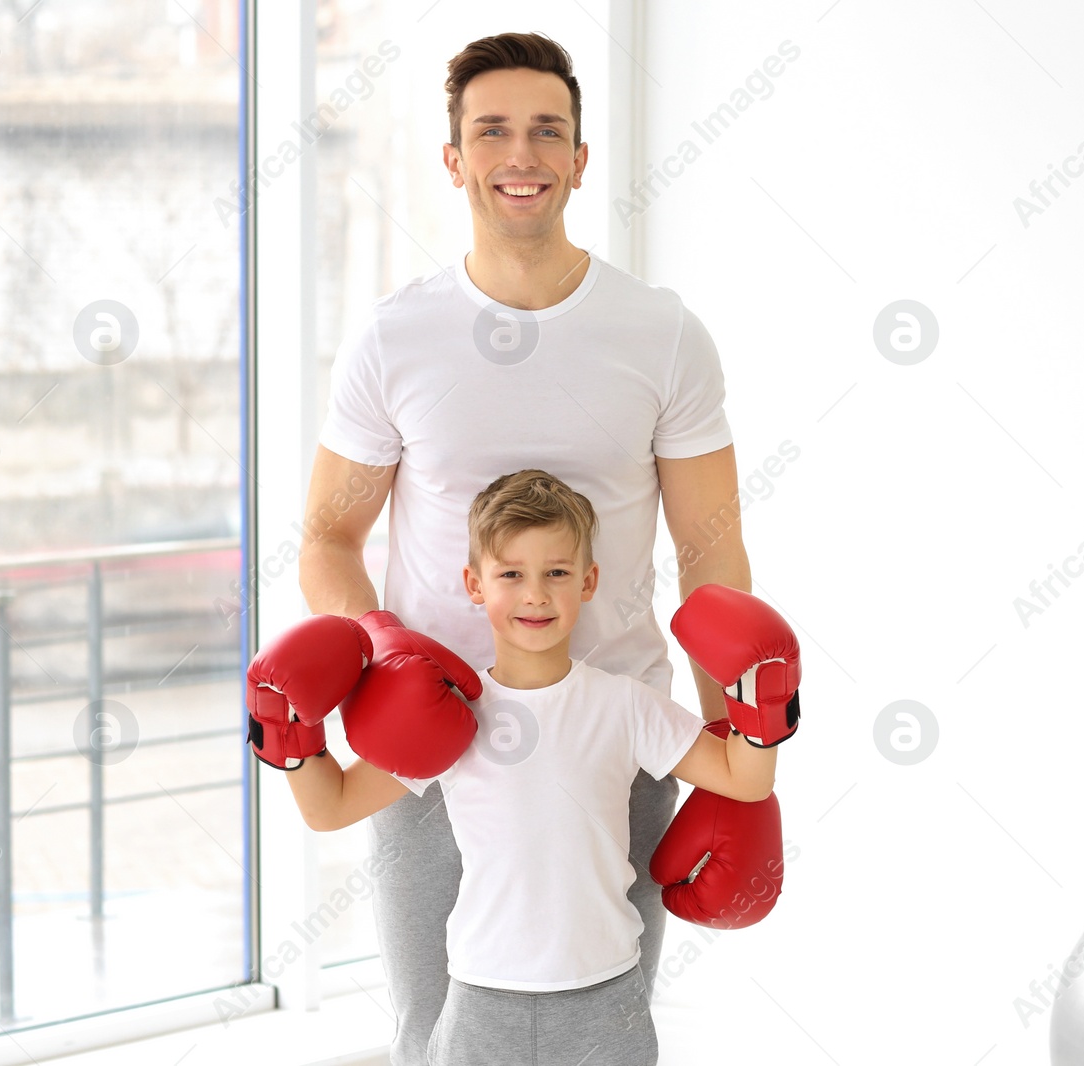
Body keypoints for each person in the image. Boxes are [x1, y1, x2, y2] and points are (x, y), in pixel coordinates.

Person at [296, 30, 753, 1066]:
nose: (522, 153)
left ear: (581, 158)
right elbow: (328, 536)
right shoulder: (393, 338)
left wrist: (731, 768)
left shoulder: (661, 332)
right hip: (430, 749)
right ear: (453, 159)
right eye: (491, 130)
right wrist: (382, 649)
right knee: (433, 1036)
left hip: (615, 737)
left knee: (600, 1028)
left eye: (548, 131)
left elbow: (712, 556)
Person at [262, 470, 779, 1066]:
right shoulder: (450, 717)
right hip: (483, 996)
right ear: (474, 584)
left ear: (588, 581)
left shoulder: (625, 704)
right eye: (512, 574)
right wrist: (287, 734)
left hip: (606, 997)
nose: (536, 594)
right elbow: (330, 808)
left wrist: (763, 705)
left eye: (557, 573)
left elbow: (745, 777)